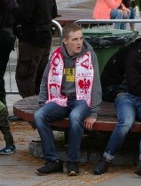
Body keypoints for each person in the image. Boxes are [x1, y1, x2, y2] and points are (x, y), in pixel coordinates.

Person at [93, 33, 141, 177]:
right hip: (126, 94)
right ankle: (106, 158)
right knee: (126, 122)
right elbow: (134, 86)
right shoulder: (133, 55)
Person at [34, 23, 101, 177]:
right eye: (75, 39)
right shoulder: (56, 55)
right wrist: (43, 104)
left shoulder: (90, 55)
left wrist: (94, 113)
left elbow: (96, 85)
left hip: (81, 100)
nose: (79, 42)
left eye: (81, 38)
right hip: (60, 99)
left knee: (76, 116)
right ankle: (52, 161)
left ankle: (73, 161)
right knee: (39, 115)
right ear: (65, 41)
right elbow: (45, 80)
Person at [15, 0, 58, 98]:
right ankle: (39, 103)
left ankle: (29, 106)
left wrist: (18, 4)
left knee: (26, 75)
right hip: (45, 39)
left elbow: (24, 15)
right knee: (40, 74)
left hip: (31, 39)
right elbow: (54, 13)